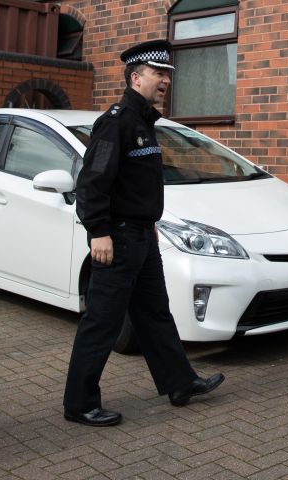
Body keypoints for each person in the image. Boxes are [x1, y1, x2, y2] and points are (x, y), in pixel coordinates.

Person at [64, 40, 224, 427]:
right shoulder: (116, 123)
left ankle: (180, 382)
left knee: (154, 314)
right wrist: (98, 231)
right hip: (116, 238)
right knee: (102, 321)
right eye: (159, 73)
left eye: (168, 74)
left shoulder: (145, 123)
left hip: (142, 236)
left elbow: (134, 185)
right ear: (136, 78)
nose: (166, 80)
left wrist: (149, 224)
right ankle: (79, 403)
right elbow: (91, 183)